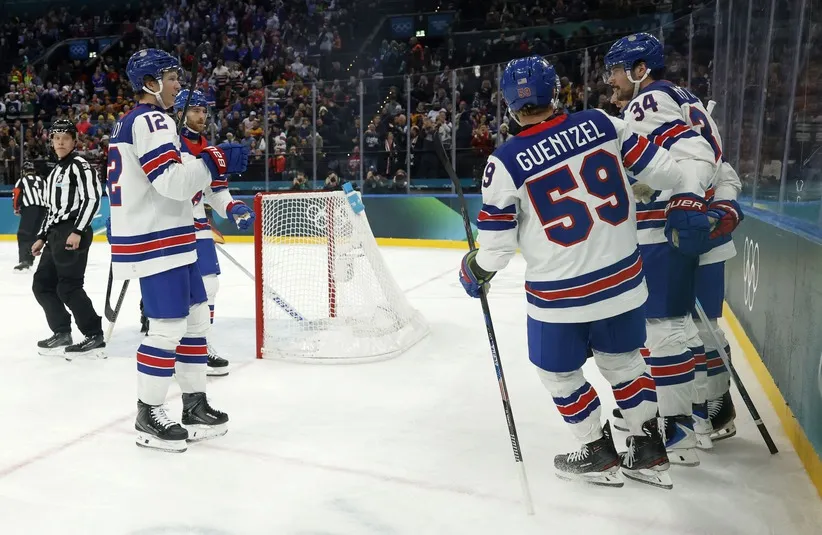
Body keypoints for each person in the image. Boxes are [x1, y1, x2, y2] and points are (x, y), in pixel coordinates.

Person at [458, 56, 710, 489]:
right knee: (626, 363)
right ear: (555, 92)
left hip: (559, 297)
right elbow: (669, 170)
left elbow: (496, 249)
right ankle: (649, 452)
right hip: (624, 282)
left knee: (559, 374)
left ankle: (596, 451)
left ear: (508, 103)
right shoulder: (603, 123)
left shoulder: (504, 161)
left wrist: (472, 270)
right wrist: (640, 187)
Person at [605, 33, 742, 463]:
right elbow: (717, 164)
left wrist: (681, 199)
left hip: (670, 230)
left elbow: (692, 154)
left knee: (666, 328)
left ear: (640, 68)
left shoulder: (647, 101)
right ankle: (711, 413)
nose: (610, 79)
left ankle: (678, 425)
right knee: (700, 328)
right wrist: (719, 207)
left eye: (615, 69)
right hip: (703, 227)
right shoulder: (689, 99)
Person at [108, 48, 249, 453]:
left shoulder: (137, 121)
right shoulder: (151, 119)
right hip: (157, 243)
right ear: (150, 82)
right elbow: (170, 182)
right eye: (171, 78)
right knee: (169, 328)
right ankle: (148, 413)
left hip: (173, 237)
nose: (177, 86)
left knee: (196, 321)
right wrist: (212, 162)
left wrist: (209, 163)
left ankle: (194, 404)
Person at [175, 89, 255, 376]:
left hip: (197, 224)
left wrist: (232, 207)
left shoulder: (207, 147)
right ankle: (175, 345)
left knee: (209, 286)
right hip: (170, 227)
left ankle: (200, 344)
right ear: (181, 113)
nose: (202, 116)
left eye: (204, 111)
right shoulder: (168, 146)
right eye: (195, 110)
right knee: (178, 291)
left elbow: (215, 190)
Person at [32, 120, 105, 359]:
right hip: (55, 234)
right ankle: (62, 331)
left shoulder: (80, 165)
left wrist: (78, 230)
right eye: (56, 138)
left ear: (74, 141)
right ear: (51, 142)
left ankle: (94, 333)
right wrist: (42, 236)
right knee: (42, 284)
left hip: (73, 230)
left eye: (65, 138)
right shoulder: (55, 172)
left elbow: (92, 199)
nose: (60, 142)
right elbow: (50, 209)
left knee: (68, 286)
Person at [12, 160, 46, 272]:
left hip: (30, 208)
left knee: (24, 234)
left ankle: (24, 261)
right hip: (43, 209)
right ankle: (30, 260)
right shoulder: (42, 180)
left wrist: (16, 208)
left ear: (24, 171)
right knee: (34, 235)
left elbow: (16, 194)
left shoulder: (22, 180)